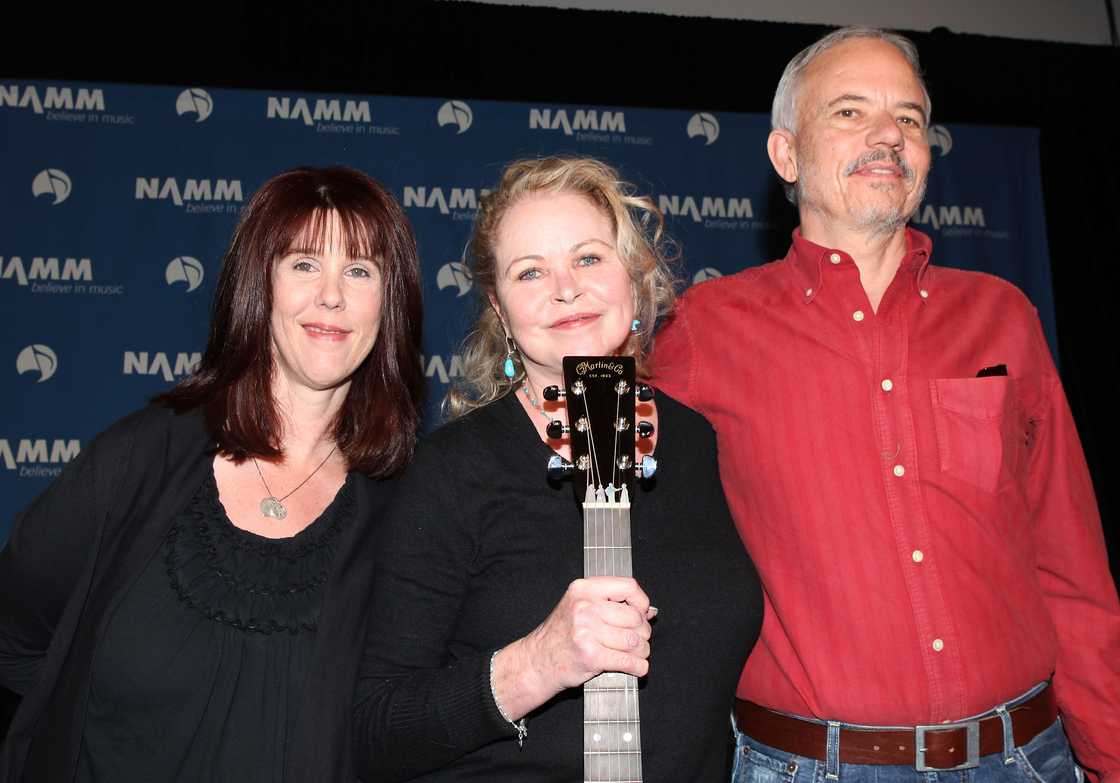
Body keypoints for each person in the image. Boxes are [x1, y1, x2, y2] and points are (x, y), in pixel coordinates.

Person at [651, 25, 1120, 782]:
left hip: (1028, 759)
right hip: (810, 767)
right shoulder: (705, 330)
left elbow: (1072, 569)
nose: (888, 135)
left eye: (909, 117)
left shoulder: (1002, 316)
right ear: (786, 155)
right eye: (849, 112)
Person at [0, 166, 426, 782]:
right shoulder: (138, 462)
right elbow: (16, 641)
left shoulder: (407, 510)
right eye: (303, 264)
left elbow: (410, 723)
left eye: (359, 270)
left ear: (391, 303)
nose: (330, 295)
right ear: (259, 283)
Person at [352, 156, 762, 781]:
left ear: (635, 275)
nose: (565, 288)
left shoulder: (699, 445)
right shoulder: (453, 470)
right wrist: (538, 663)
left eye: (589, 258)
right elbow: (377, 730)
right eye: (530, 272)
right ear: (500, 308)